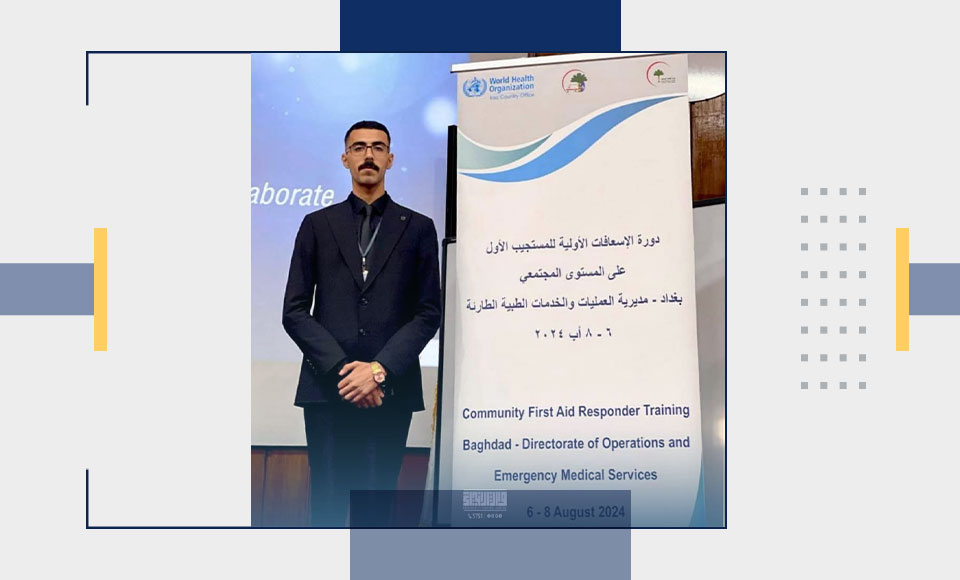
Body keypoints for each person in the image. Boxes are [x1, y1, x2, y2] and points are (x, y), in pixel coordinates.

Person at [282, 120, 441, 526]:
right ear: (345, 158)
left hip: (390, 392)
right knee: (328, 512)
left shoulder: (419, 228)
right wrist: (345, 372)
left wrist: (378, 371)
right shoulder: (317, 225)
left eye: (377, 147)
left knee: (376, 514)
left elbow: (428, 313)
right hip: (327, 390)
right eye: (358, 147)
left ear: (390, 158)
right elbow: (294, 310)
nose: (368, 155)